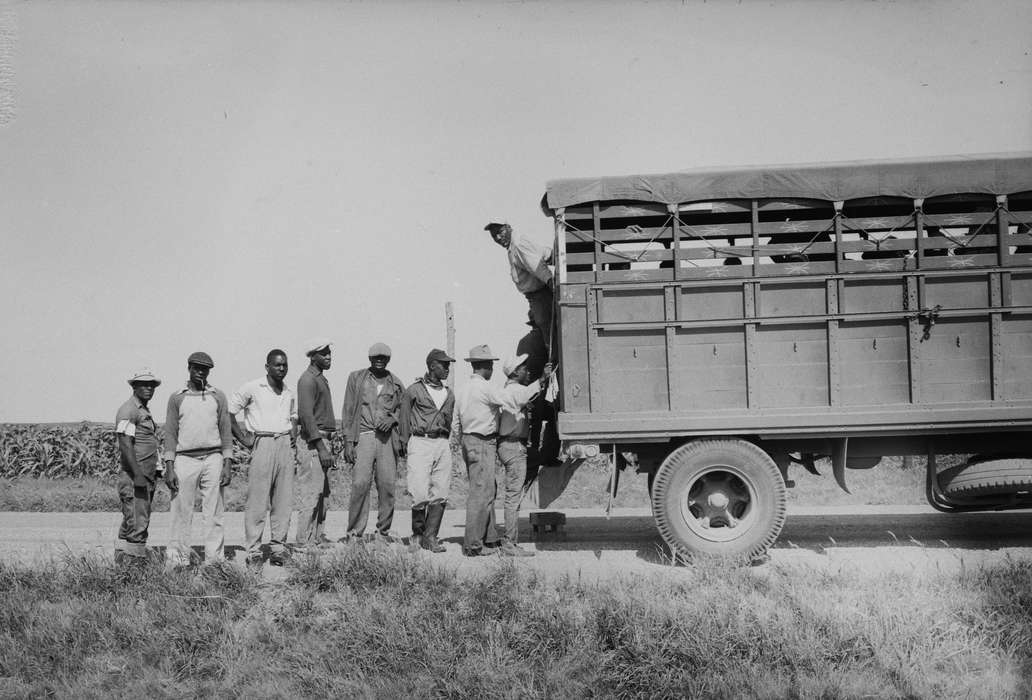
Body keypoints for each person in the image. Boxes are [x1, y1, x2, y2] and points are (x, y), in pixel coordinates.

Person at [455, 344, 550, 557]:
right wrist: (540, 382)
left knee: (486, 492)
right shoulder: (485, 388)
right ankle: (474, 545)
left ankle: (488, 539)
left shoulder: (464, 389)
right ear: (485, 365)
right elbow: (512, 399)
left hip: (471, 440)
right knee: (482, 494)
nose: (491, 369)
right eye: (490, 364)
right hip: (482, 442)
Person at [163, 352, 234, 566]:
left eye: (205, 369)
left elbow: (225, 430)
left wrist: (227, 463)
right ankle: (178, 561)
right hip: (185, 459)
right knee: (181, 512)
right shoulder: (177, 397)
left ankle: (214, 562)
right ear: (189, 368)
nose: (201, 372)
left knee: (213, 513)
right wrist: (169, 466)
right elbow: (170, 433)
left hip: (213, 457)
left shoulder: (218, 396)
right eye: (197, 368)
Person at [229, 349, 298, 567]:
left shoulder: (288, 391)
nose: (282, 368)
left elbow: (293, 416)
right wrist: (243, 439)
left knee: (283, 500)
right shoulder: (253, 387)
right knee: (258, 500)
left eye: (285, 365)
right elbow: (229, 412)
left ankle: (278, 547)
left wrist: (293, 434)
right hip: (263, 442)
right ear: (267, 366)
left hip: (284, 443)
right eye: (277, 365)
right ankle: (254, 550)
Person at [341, 342, 406, 541]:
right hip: (364, 436)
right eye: (376, 358)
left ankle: (382, 533)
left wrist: (392, 418)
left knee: (387, 485)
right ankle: (354, 534)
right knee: (360, 484)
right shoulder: (356, 378)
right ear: (369, 359)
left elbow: (405, 410)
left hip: (387, 441)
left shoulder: (395, 383)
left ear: (388, 360)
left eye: (383, 358)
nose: (379, 361)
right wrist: (349, 442)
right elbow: (348, 409)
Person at [398, 348, 456, 553]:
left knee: (441, 490)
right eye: (444, 365)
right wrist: (404, 444)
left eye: (448, 365)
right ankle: (417, 534)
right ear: (432, 366)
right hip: (420, 441)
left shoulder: (449, 394)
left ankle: (431, 537)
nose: (448, 368)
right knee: (419, 490)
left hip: (441, 442)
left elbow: (449, 420)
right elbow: (403, 418)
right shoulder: (414, 390)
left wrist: (444, 442)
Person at [497, 354, 552, 557]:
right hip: (513, 446)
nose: (528, 371)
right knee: (513, 497)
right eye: (524, 368)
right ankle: (509, 543)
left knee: (515, 495)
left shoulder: (513, 390)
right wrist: (542, 378)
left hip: (513, 446)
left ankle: (510, 540)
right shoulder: (514, 391)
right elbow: (524, 395)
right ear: (514, 372)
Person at [114, 368, 162, 564]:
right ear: (134, 386)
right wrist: (138, 475)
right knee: (137, 523)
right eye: (143, 384)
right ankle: (134, 569)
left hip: (144, 475)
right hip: (136, 477)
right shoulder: (129, 410)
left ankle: (121, 562)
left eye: (152, 385)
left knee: (131, 521)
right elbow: (125, 443)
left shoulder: (143, 410)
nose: (149, 388)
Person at [484, 222, 554, 351]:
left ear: (508, 227)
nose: (498, 238)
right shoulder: (514, 245)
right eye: (494, 236)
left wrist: (551, 282)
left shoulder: (518, 244)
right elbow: (541, 253)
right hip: (536, 297)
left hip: (541, 295)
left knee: (548, 332)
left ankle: (554, 361)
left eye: (500, 232)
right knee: (546, 331)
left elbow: (537, 267)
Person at [295, 338, 337, 548]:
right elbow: (306, 416)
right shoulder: (308, 380)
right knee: (311, 494)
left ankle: (317, 537)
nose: (329, 356)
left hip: (323, 440)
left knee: (323, 494)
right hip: (314, 443)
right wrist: (321, 448)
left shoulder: (320, 378)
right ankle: (303, 542)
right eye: (324, 353)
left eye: (329, 352)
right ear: (313, 356)